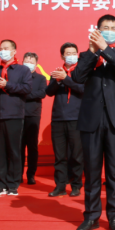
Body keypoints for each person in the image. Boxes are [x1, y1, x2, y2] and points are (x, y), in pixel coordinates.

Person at [72, 14, 115, 230]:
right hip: (91, 120)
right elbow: (77, 77)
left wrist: (105, 48)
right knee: (91, 172)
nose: (109, 30)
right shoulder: (87, 55)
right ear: (97, 31)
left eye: (113, 28)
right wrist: (93, 51)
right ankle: (91, 217)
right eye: (105, 27)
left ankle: (114, 217)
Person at [0, 39, 33, 197]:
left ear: (14, 51)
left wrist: (7, 85)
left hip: (14, 114)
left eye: (6, 48)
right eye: (0, 48)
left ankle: (13, 184)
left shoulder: (23, 70)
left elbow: (27, 88)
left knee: (14, 150)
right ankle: (0, 184)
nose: (2, 51)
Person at [46, 43, 85, 197]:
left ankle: (76, 185)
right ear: (62, 56)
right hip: (58, 119)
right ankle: (60, 186)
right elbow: (49, 92)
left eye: (74, 53)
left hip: (76, 118)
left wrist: (66, 79)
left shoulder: (81, 72)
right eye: (68, 53)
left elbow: (83, 89)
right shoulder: (57, 72)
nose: (71, 56)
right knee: (59, 156)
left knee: (76, 155)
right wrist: (57, 80)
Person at [21, 52, 47, 185]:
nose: (28, 64)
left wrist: (23, 93)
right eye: (26, 61)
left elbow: (42, 93)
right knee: (18, 146)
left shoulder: (41, 78)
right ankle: (17, 174)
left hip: (33, 115)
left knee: (32, 146)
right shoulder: (16, 77)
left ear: (36, 64)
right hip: (17, 114)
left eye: (31, 62)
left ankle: (31, 174)